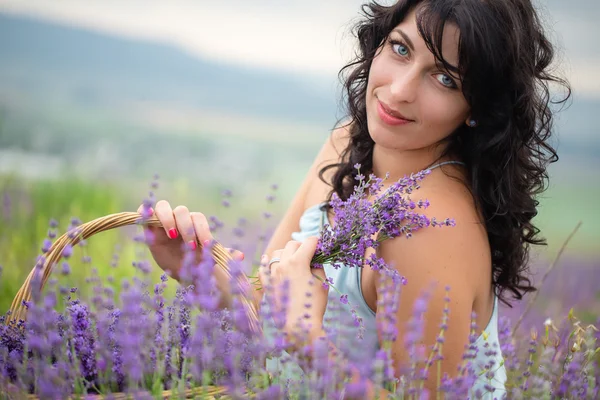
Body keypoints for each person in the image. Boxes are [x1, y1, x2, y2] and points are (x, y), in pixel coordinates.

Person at [139, 0, 570, 398]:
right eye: (400, 49)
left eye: (445, 78)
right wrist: (194, 269)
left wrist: (310, 344)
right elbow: (271, 308)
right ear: (378, 43)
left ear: (477, 106)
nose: (400, 90)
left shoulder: (428, 224)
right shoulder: (347, 143)